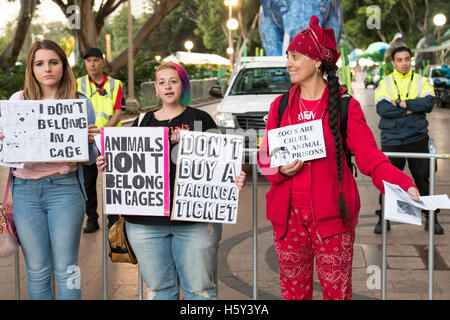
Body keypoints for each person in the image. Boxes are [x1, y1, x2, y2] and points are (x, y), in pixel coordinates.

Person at [257, 15, 420, 300]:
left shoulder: (346, 107)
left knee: (336, 293)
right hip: (288, 220)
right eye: (288, 56)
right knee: (293, 294)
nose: (288, 63)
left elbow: (370, 157)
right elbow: (264, 156)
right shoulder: (280, 105)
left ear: (317, 61)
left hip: (333, 219)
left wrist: (401, 182)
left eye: (295, 56)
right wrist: (280, 170)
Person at [96, 62, 247, 300]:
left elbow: (220, 162)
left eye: (173, 81)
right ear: (155, 89)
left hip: (193, 222)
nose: (168, 86)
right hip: (145, 224)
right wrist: (109, 164)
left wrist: (231, 179)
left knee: (200, 291)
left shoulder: (201, 119)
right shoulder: (141, 122)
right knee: (158, 291)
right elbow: (127, 164)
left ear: (182, 86)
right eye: (162, 82)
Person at [1, 40, 99, 299]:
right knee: (36, 270)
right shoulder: (17, 101)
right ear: (32, 69)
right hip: (25, 193)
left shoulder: (79, 103)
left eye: (54, 62)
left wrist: (90, 142)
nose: (47, 69)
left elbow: (89, 159)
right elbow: (9, 154)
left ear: (63, 66)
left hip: (65, 190)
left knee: (68, 268)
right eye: (40, 63)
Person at [374, 45, 443, 235]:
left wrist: (400, 104)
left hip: (418, 138)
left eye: (407, 59)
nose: (404, 63)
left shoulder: (421, 80)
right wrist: (412, 109)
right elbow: (382, 110)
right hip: (392, 140)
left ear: (410, 60)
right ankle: (383, 218)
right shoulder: (384, 83)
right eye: (399, 60)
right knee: (388, 181)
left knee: (422, 178)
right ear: (393, 62)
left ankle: (431, 217)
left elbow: (428, 103)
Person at [76, 47, 125, 233]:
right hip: (88, 141)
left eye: (95, 60)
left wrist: (105, 131)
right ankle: (92, 219)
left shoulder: (115, 84)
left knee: (113, 181)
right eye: (88, 61)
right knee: (88, 183)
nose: (92, 64)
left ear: (102, 62)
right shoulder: (77, 84)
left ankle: (114, 219)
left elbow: (119, 110)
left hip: (111, 140)